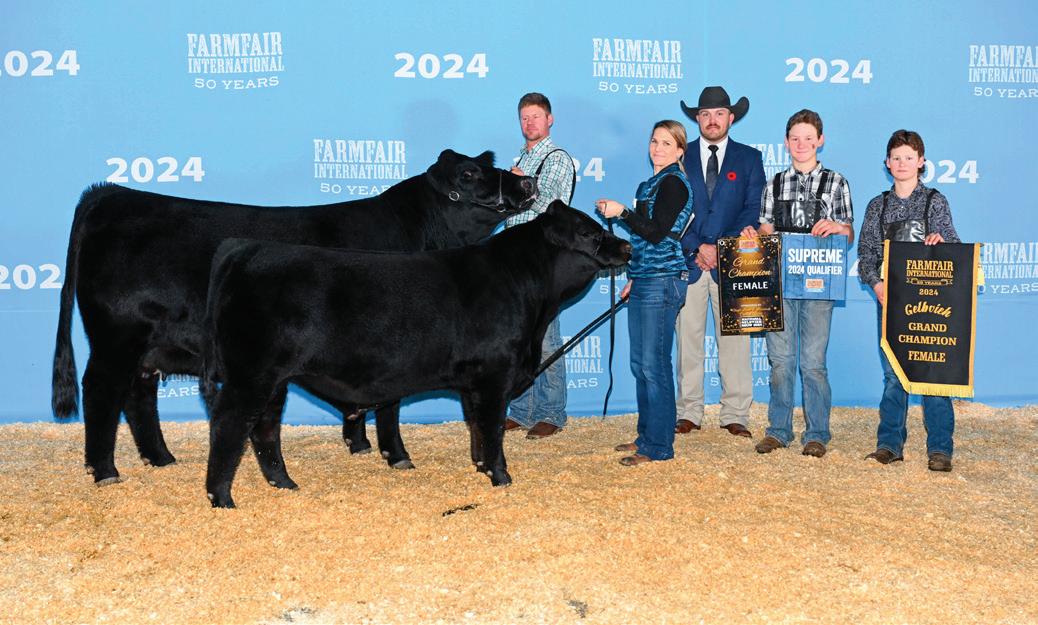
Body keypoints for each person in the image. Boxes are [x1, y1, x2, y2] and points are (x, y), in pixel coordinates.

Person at [741, 109, 853, 459]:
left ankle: (817, 433)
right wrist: (754, 237)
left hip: (819, 284)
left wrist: (838, 228)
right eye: (795, 138)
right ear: (786, 142)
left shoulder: (836, 182)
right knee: (780, 360)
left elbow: (848, 233)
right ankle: (778, 430)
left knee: (813, 363)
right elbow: (766, 230)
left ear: (820, 140)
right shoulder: (774, 184)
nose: (801, 144)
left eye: (808, 138)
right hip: (780, 282)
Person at [857, 129, 960, 472]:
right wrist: (876, 285)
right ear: (887, 163)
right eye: (896, 158)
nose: (902, 163)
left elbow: (954, 247)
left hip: (931, 302)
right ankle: (889, 445)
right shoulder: (878, 205)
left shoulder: (935, 201)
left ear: (921, 162)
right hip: (890, 300)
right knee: (893, 374)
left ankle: (940, 448)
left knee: (934, 372)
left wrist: (941, 242)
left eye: (909, 158)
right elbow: (866, 252)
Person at [596, 120, 694, 465]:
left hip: (664, 279)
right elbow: (641, 239)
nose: (658, 148)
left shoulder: (674, 183)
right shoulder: (649, 184)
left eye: (667, 143)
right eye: (654, 141)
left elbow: (656, 233)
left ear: (680, 150)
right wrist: (634, 276)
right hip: (646, 278)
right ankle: (646, 437)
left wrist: (622, 212)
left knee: (654, 365)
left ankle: (659, 446)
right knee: (640, 364)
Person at [674, 86, 765, 438]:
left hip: (732, 263)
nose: (712, 120)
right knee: (688, 340)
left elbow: (753, 208)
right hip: (690, 260)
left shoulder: (750, 158)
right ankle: (689, 411)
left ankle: (736, 413)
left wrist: (720, 247)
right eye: (706, 114)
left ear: (731, 117)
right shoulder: (680, 156)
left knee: (736, 342)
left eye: (719, 114)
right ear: (697, 118)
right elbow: (673, 208)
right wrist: (697, 246)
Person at [502, 92, 576, 439]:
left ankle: (552, 412)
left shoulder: (557, 158)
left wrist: (522, 186)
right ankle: (522, 410)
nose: (529, 123)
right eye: (524, 117)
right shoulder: (521, 159)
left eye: (536, 116)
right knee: (519, 339)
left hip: (543, 261)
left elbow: (553, 207)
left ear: (550, 119)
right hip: (515, 261)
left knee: (546, 339)